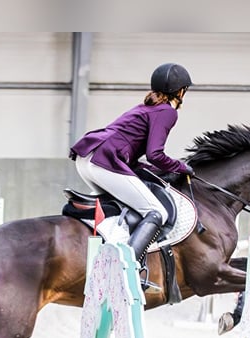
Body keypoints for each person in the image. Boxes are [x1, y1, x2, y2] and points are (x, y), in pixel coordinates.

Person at [69, 62, 195, 262]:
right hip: (105, 161)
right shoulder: (167, 111)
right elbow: (155, 154)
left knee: (120, 206)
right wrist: (182, 167)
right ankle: (127, 268)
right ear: (180, 91)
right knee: (156, 212)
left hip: (87, 159)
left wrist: (156, 169)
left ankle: (108, 248)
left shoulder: (146, 108)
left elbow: (139, 155)